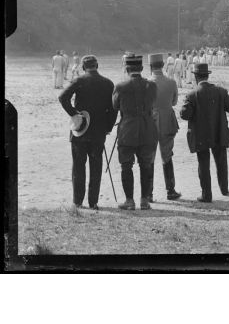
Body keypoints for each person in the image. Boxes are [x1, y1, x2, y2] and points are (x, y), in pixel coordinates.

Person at [58, 55, 118, 210]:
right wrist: (108, 128)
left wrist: (74, 114)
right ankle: (93, 202)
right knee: (96, 166)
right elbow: (113, 110)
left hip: (80, 130)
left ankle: (77, 201)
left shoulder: (79, 80)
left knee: (78, 166)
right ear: (97, 65)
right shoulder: (108, 83)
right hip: (99, 131)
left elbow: (62, 97)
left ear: (83, 67)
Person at [180, 62, 229, 203]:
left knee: (203, 164)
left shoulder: (192, 94)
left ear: (196, 77)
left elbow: (185, 115)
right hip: (219, 132)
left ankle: (207, 194)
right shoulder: (221, 91)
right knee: (221, 162)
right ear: (207, 75)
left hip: (201, 134)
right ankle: (224, 189)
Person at [113, 54, 158, 210]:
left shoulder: (121, 86)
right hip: (147, 129)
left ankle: (129, 201)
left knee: (126, 166)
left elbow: (115, 106)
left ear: (127, 68)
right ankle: (144, 200)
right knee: (145, 166)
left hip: (128, 130)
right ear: (141, 68)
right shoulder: (151, 86)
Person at [148, 53, 182, 202]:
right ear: (162, 65)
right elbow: (174, 102)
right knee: (167, 156)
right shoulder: (171, 82)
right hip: (168, 121)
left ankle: (148, 193)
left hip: (151, 123)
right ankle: (171, 190)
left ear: (150, 66)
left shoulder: (146, 82)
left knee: (149, 158)